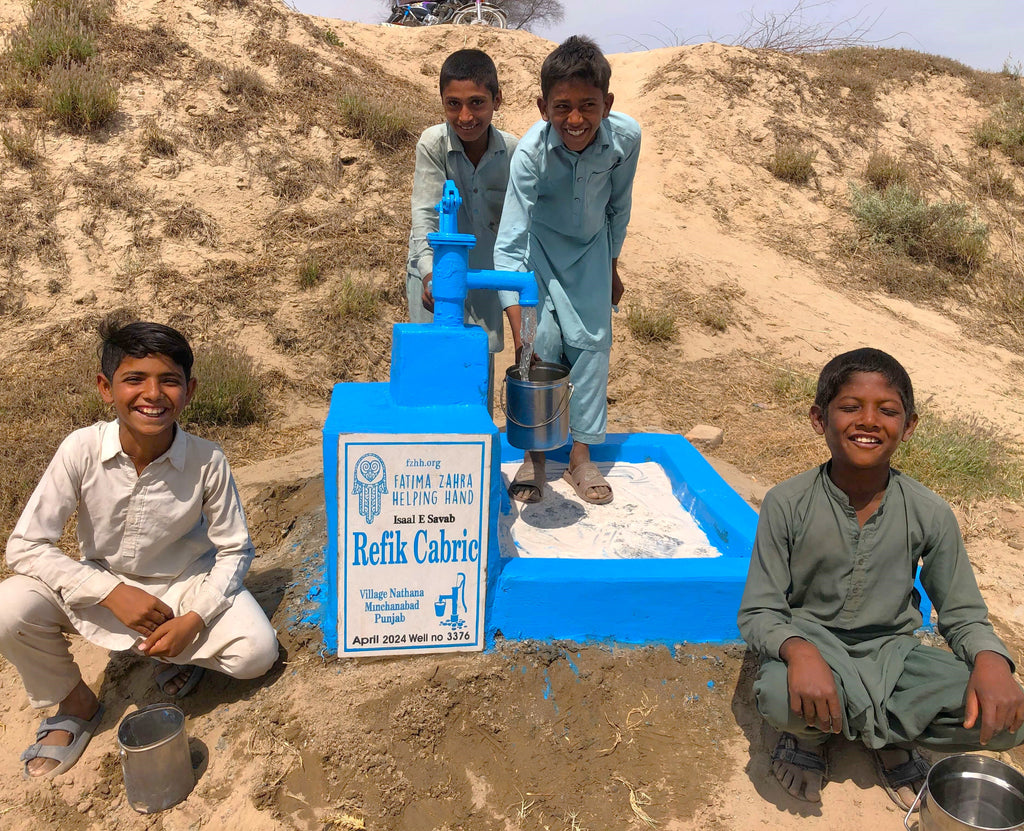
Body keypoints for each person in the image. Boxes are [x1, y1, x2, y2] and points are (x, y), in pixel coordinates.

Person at [738, 348, 1024, 808]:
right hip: (815, 647)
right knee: (778, 696)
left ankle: (885, 737)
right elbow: (760, 610)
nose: (868, 421)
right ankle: (811, 739)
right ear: (819, 419)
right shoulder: (787, 503)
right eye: (851, 407)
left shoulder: (929, 512)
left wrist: (993, 661)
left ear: (908, 426)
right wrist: (800, 651)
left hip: (893, 655)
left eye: (887, 411)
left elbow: (963, 613)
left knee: (1009, 717)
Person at [1, 320, 279, 778]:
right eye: (134, 379)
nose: (153, 394)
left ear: (188, 391)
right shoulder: (80, 450)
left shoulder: (208, 459)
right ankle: (74, 703)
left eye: (169, 380)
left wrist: (194, 619)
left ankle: (177, 650)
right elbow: (27, 545)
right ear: (105, 388)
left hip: (183, 587)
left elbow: (235, 551)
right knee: (9, 606)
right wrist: (109, 591)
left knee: (256, 654)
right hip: (103, 587)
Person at [493, 35, 640, 505]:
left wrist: (612, 268)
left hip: (593, 255)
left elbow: (619, 207)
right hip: (538, 256)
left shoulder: (626, 139)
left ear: (607, 103)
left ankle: (580, 457)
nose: (575, 119)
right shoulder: (531, 154)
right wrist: (521, 328)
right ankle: (535, 457)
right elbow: (511, 242)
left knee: (594, 350)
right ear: (542, 107)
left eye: (587, 106)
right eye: (562, 107)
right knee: (541, 351)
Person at [406, 48, 519, 409]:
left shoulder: (515, 153)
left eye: (477, 103)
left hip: (484, 279)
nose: (465, 116)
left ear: (497, 100)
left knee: (476, 375)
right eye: (453, 104)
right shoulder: (433, 144)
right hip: (434, 280)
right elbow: (425, 213)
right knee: (432, 372)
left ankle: (475, 453)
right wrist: (428, 274)